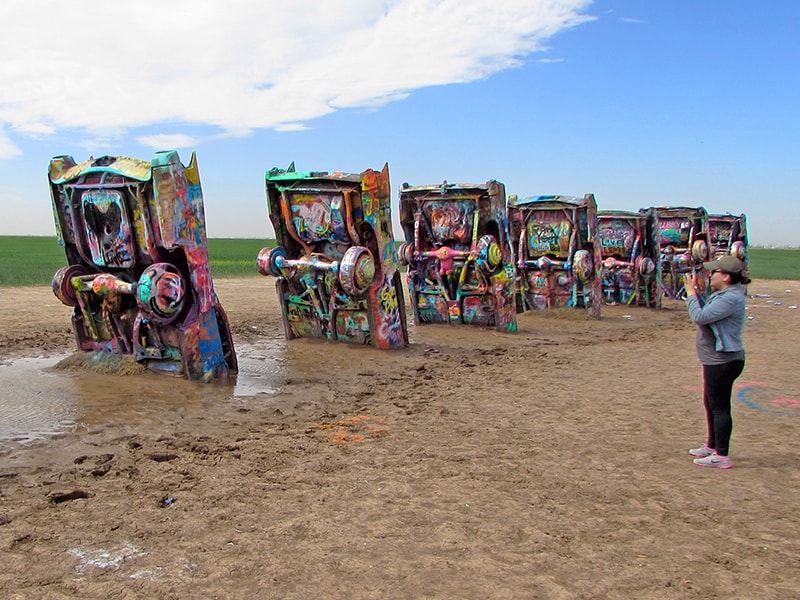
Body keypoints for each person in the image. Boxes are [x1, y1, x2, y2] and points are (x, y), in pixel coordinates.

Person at [683, 255, 750, 469]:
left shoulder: (731, 298)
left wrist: (692, 294)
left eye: (715, 272)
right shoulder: (725, 294)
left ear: (727, 277)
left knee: (720, 406)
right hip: (715, 360)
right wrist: (697, 293)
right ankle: (712, 446)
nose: (710, 275)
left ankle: (722, 454)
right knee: (710, 403)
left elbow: (700, 317)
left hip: (723, 361)